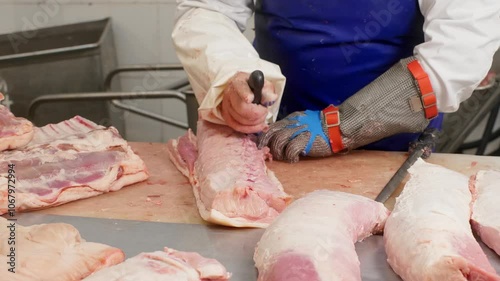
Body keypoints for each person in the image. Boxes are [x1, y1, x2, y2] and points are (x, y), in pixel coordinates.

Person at [171, 0, 500, 163]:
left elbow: (459, 51)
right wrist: (230, 71)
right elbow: (209, 9)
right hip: (271, 134)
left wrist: (347, 124)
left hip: (391, 143)